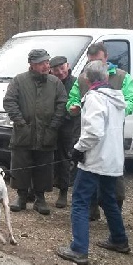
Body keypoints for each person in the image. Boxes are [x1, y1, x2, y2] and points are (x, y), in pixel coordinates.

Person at [56, 60, 131, 265]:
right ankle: (119, 239)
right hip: (113, 159)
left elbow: (94, 132)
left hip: (95, 160)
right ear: (105, 78)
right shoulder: (117, 98)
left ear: (87, 79)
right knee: (108, 199)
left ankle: (79, 249)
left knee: (80, 201)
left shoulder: (94, 98)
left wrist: (78, 149)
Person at [66, 42, 133, 220]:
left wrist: (115, 111)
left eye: (97, 60)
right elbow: (72, 100)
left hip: (111, 136)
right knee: (86, 175)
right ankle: (92, 211)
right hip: (87, 132)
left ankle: (113, 213)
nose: (93, 65)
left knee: (113, 182)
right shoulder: (83, 78)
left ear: (106, 57)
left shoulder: (122, 77)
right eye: (90, 62)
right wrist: (73, 107)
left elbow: (132, 101)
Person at [3, 49, 67, 216]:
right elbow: (9, 101)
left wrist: (54, 126)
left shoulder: (55, 83)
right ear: (32, 65)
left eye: (47, 62)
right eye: (41, 63)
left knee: (44, 167)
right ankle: (21, 197)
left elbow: (62, 104)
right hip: (24, 132)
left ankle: (40, 199)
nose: (46, 65)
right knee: (20, 165)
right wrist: (20, 122)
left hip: (47, 132)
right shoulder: (19, 80)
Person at [49, 56, 80, 208]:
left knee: (64, 160)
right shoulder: (49, 82)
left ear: (67, 66)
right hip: (49, 126)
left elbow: (76, 105)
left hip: (67, 127)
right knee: (45, 158)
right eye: (56, 70)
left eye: (62, 68)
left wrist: (61, 118)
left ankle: (63, 192)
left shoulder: (76, 83)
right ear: (51, 71)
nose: (60, 72)